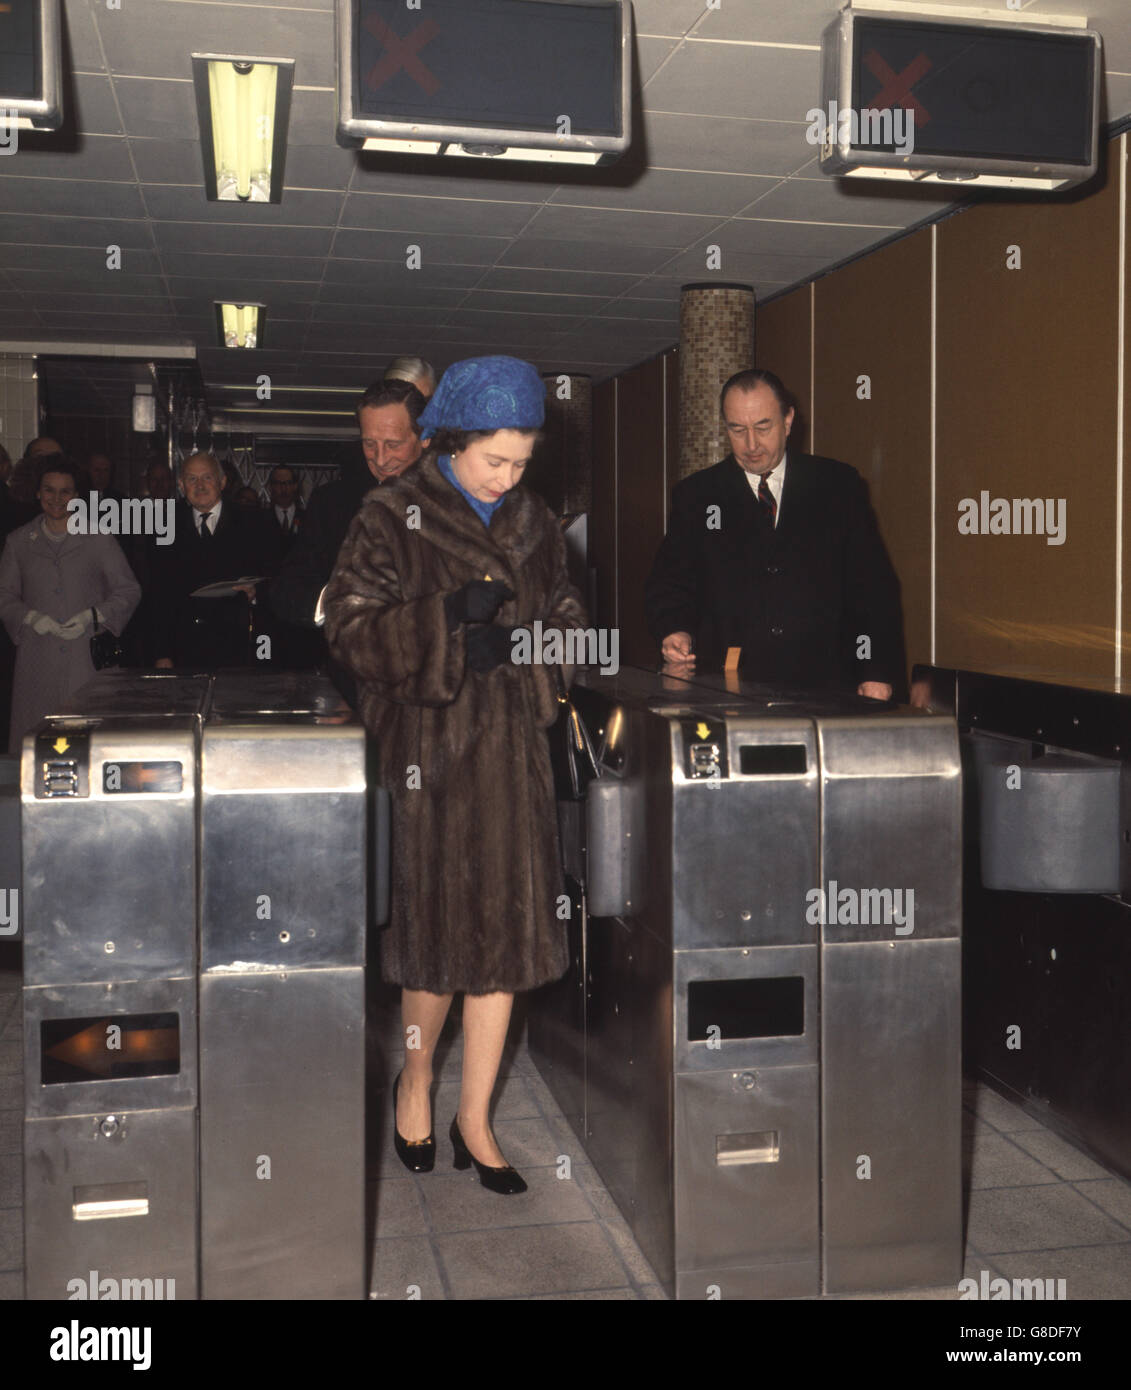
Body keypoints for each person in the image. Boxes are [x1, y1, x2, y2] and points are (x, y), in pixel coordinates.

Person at [324, 356, 587, 1194]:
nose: (509, 478)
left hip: (510, 755)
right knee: (432, 949)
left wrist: (531, 654)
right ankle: (414, 1082)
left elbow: (572, 620)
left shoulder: (536, 519)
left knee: (505, 948)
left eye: (521, 463)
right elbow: (352, 630)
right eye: (494, 462)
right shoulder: (387, 514)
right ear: (449, 444)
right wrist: (442, 627)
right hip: (426, 760)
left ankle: (475, 1118)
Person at [644, 368, 906, 700]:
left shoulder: (837, 486)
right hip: (731, 690)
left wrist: (877, 674)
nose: (751, 444)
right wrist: (674, 629)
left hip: (827, 685)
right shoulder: (697, 496)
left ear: (788, 420)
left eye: (763, 427)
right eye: (737, 430)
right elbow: (669, 583)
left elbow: (873, 589)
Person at [266, 379, 426, 691]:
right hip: (356, 694)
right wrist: (334, 599)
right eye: (369, 444)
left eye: (393, 444)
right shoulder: (333, 502)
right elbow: (286, 590)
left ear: (426, 439)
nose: (380, 459)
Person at [0, 455, 140, 752]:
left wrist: (95, 615)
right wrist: (30, 617)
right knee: (36, 750)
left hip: (86, 662)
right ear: (38, 492)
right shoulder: (19, 541)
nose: (56, 498)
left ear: (76, 497)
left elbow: (128, 590)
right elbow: (4, 594)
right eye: (49, 490)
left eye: (65, 491)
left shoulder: (98, 538)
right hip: (37, 662)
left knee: (88, 748)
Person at [149, 451, 278, 670]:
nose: (200, 485)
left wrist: (257, 592)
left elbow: (276, 579)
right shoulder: (165, 526)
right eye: (192, 479)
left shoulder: (255, 522)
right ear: (181, 485)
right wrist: (162, 653)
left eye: (207, 477)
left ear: (223, 481)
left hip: (239, 647)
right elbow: (158, 596)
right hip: (184, 649)